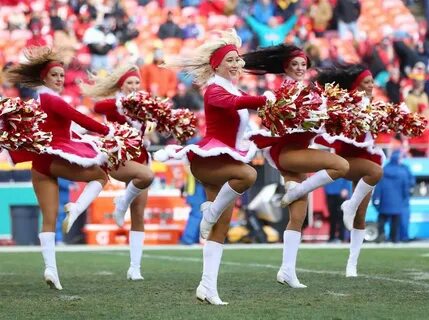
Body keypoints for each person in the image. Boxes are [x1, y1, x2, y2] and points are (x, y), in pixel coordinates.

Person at [157, 29, 272, 305]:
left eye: (237, 59)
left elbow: (244, 115)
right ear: (216, 65)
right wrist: (263, 99)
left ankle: (207, 287)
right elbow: (232, 104)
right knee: (248, 175)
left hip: (227, 161)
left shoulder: (237, 88)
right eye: (229, 60)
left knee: (221, 227)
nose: (235, 64)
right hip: (209, 163)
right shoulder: (214, 90)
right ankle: (208, 213)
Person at [242, 44, 350, 288]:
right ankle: (298, 190)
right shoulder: (284, 91)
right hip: (288, 152)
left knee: (298, 216)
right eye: (295, 65)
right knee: (340, 166)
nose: (300, 68)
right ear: (286, 68)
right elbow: (286, 122)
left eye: (303, 64)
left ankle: (287, 271)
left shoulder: (310, 90)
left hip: (296, 152)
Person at [5, 46, 110, 290]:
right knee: (101, 175)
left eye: (62, 76)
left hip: (39, 162)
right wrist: (108, 131)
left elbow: (61, 126)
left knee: (49, 219)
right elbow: (77, 116)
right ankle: (76, 207)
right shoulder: (51, 98)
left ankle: (51, 269)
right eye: (55, 75)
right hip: (54, 157)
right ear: (44, 77)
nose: (60, 79)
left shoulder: (38, 99)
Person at [80, 64, 154, 280]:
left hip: (141, 157)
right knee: (146, 177)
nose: (133, 86)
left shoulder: (144, 105)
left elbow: (149, 127)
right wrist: (123, 101)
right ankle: (121, 203)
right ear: (121, 85)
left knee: (139, 214)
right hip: (120, 158)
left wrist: (148, 136)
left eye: (136, 83)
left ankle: (135, 267)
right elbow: (98, 107)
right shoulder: (115, 104)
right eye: (129, 83)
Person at [315, 64, 384, 277]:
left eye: (372, 81)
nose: (371, 85)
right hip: (348, 159)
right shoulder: (348, 104)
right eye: (366, 82)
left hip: (367, 157)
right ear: (356, 85)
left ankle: (351, 265)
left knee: (360, 215)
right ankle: (348, 205)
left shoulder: (373, 104)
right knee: (374, 174)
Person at [373, 150, 414, 243]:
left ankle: (381, 234)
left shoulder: (383, 170)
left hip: (384, 200)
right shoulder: (402, 172)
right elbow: (406, 188)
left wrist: (376, 199)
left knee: (382, 219)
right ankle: (394, 238)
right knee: (395, 221)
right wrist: (405, 198)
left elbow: (378, 187)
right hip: (398, 201)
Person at [324, 178, 352, 242]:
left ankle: (341, 237)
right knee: (332, 216)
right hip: (330, 193)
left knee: (341, 216)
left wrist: (346, 188)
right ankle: (332, 237)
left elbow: (347, 176)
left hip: (341, 192)